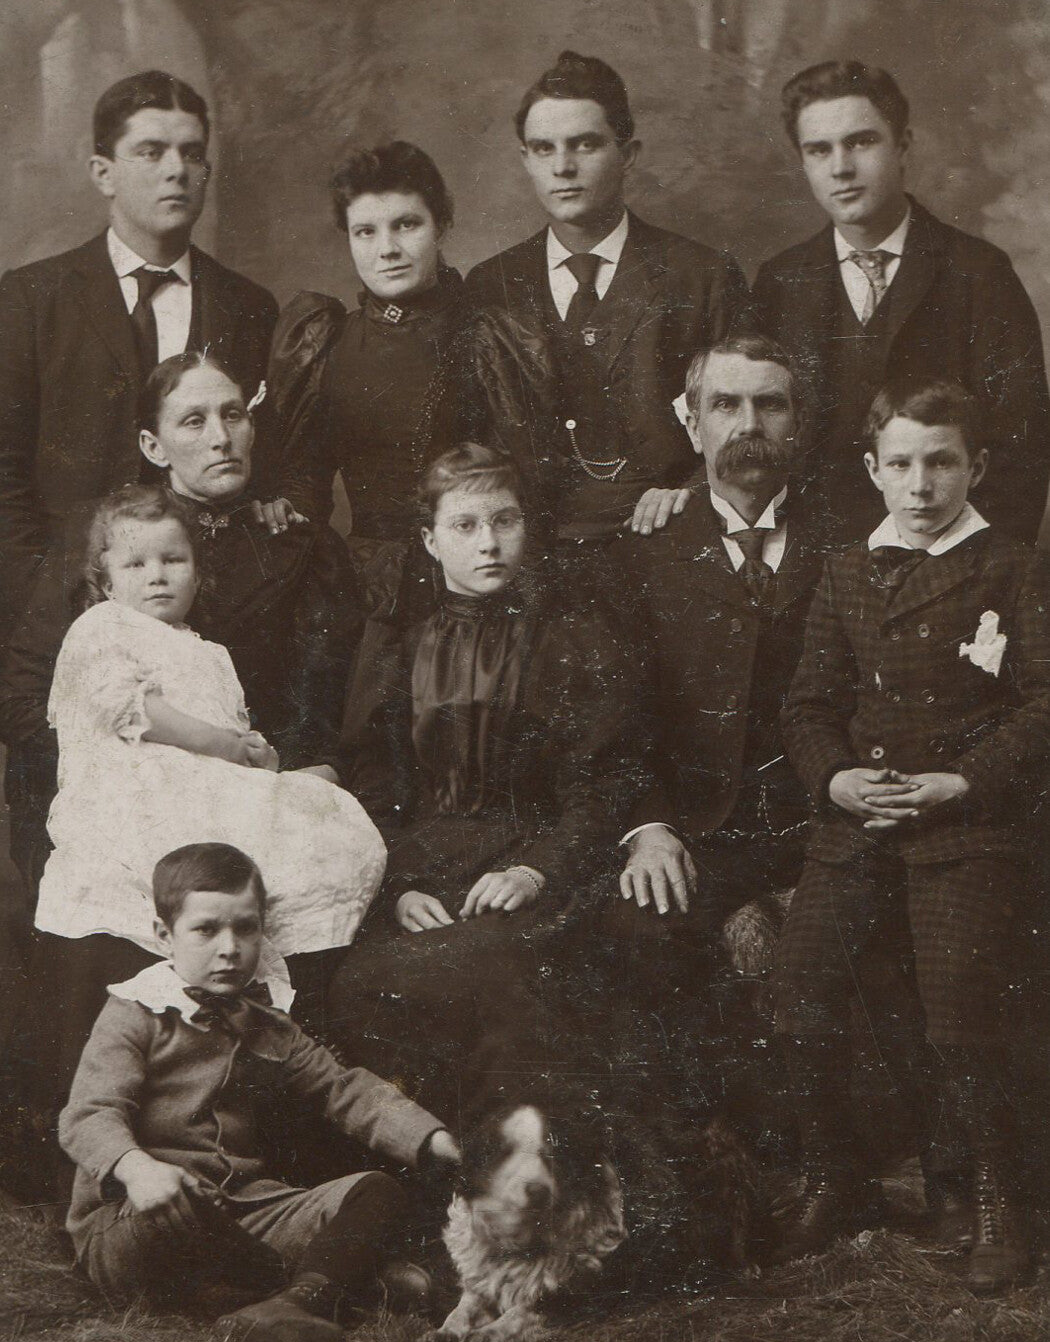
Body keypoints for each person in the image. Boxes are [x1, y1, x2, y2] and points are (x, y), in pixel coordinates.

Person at [775, 378, 1050, 1293]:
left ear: (977, 466)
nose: (922, 484)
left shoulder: (1011, 566)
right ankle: (838, 1174)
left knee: (962, 1009)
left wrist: (963, 780)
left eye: (941, 462)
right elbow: (809, 701)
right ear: (872, 469)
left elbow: (1044, 703)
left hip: (968, 826)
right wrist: (836, 777)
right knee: (801, 986)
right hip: (861, 822)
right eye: (902, 463)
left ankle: (999, 1196)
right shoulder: (849, 566)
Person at [312, 444, 643, 1119]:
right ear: (431, 540)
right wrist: (401, 888)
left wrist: (534, 872)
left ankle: (527, 1169)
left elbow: (599, 790)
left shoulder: (570, 641)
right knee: (360, 983)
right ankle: (440, 1168)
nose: (489, 542)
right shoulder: (400, 650)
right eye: (465, 525)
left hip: (539, 868)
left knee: (495, 964)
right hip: (427, 870)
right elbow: (376, 794)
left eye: (506, 520)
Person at [29, 483, 383, 1104]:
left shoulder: (209, 652)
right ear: (106, 579)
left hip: (206, 783)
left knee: (322, 808)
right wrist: (224, 746)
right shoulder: (102, 626)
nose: (157, 576)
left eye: (174, 560)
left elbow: (236, 732)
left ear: (197, 570)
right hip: (133, 784)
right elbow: (132, 712)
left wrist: (257, 755)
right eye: (136, 564)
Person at [59, 842, 458, 1342]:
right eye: (206, 930)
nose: (230, 948)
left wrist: (435, 1140)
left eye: (245, 928)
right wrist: (137, 1169)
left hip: (244, 1208)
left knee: (374, 1192)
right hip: (141, 1214)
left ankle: (283, 1306)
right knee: (181, 1207)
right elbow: (88, 1113)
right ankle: (328, 1285)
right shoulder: (135, 1012)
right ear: (165, 936)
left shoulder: (268, 1023)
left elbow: (343, 1088)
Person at [0, 352, 358, 899]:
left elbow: (319, 695)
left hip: (250, 794)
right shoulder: (105, 537)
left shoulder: (297, 545)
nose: (221, 438)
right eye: (194, 421)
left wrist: (277, 770)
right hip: (115, 799)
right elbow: (24, 691)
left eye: (234, 415)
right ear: (153, 446)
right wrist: (126, 768)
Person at [594, 334, 822, 1122]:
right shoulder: (639, 556)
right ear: (691, 426)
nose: (747, 422)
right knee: (643, 930)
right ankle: (722, 1152)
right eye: (725, 404)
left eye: (770, 403)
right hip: (698, 829)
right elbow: (617, 725)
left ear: (799, 423)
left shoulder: (852, 543)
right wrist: (649, 828)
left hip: (819, 825)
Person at [0, 70, 277, 645]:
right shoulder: (31, 298)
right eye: (150, 151)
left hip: (214, 615)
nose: (176, 170)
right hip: (64, 610)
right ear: (103, 172)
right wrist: (43, 593)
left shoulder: (247, 306)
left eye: (192, 153)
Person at [750, 60, 1050, 547]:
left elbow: (1023, 452)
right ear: (803, 161)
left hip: (949, 568)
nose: (841, 167)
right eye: (819, 150)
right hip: (815, 572)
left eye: (861, 142)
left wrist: (966, 575)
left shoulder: (979, 272)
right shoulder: (780, 280)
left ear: (903, 144)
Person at [466, 50, 748, 549]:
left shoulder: (701, 276)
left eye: (585, 145)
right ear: (525, 160)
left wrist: (691, 490)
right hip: (532, 550)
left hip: (667, 536)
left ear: (628, 154)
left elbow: (747, 423)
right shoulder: (492, 284)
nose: (564, 167)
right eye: (544, 148)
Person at [266, 141, 544, 608]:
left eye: (407, 225)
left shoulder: (486, 338)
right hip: (360, 588)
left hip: (470, 586)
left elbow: (524, 486)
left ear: (441, 227)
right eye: (366, 232)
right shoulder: (325, 341)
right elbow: (306, 486)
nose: (387, 249)